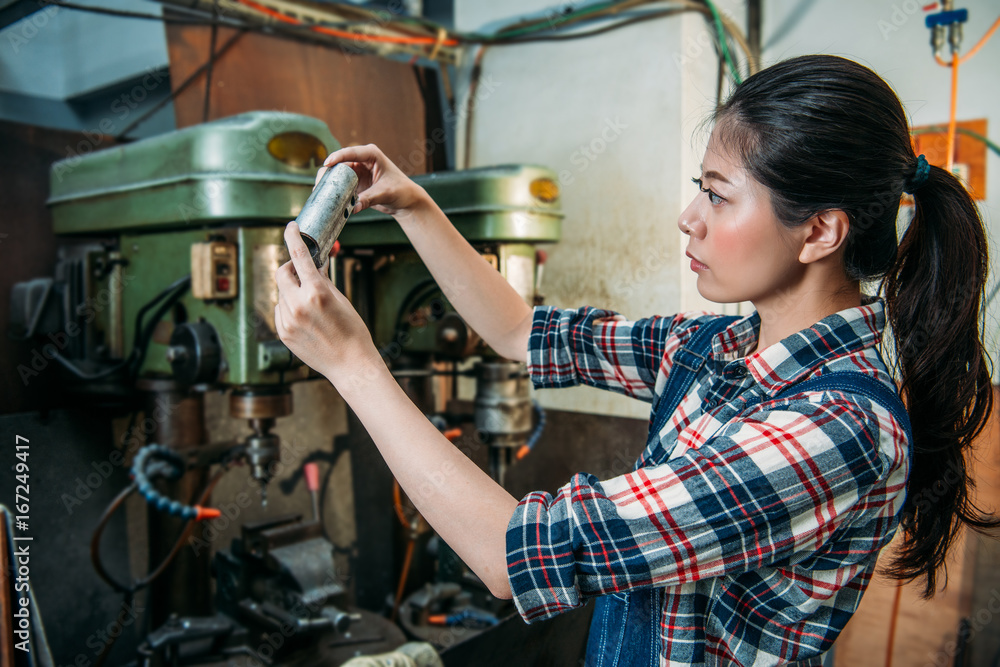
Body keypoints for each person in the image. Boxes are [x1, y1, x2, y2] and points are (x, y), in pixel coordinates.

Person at [273, 54, 997, 666]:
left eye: (718, 195)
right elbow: (524, 330)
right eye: (697, 190)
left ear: (819, 231)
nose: (690, 217)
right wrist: (415, 207)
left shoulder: (838, 428)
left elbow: (507, 554)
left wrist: (353, 365)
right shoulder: (719, 347)